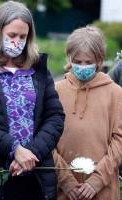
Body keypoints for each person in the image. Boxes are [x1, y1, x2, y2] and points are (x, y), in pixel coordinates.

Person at [0, 1, 65, 200]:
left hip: (35, 176)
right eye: (12, 35)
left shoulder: (38, 70)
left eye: (23, 36)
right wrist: (13, 149)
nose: (17, 41)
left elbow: (55, 117)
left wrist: (31, 154)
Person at [53, 26, 122, 200]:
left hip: (103, 189)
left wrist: (97, 180)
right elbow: (46, 140)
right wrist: (65, 179)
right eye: (77, 61)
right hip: (64, 189)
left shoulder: (115, 93)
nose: (83, 66)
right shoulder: (55, 91)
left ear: (99, 59)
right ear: (69, 58)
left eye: (88, 62)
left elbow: (119, 141)